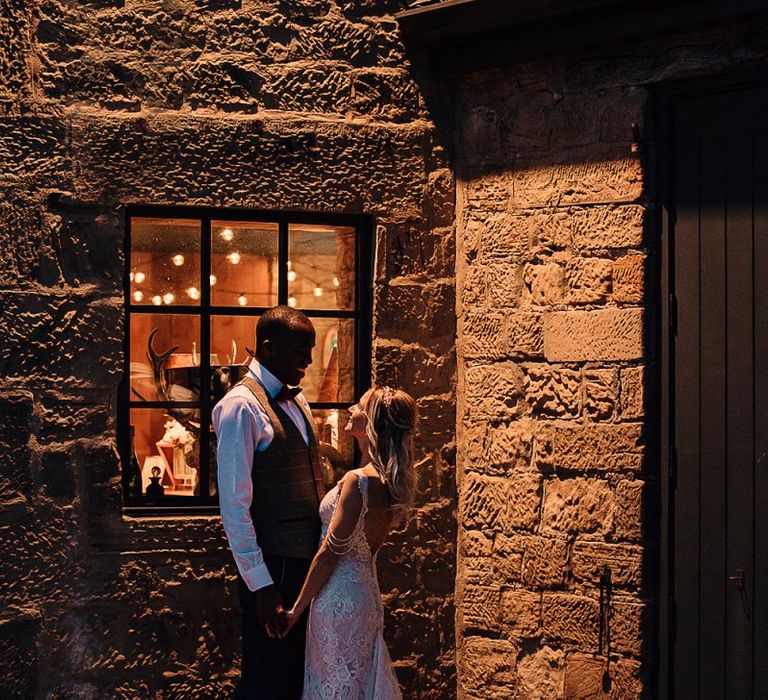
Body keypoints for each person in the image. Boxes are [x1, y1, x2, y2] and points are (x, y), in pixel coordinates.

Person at [213, 306, 324, 699]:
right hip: (274, 566)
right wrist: (261, 585)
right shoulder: (239, 407)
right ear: (269, 347)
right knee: (266, 681)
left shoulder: (298, 400)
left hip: (306, 563)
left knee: (295, 678)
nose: (308, 362)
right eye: (300, 351)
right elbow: (234, 506)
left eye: (310, 350)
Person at [280, 385, 418, 699]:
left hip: (339, 601)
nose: (350, 408)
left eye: (358, 405)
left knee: (336, 686)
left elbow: (330, 551)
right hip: (365, 593)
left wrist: (295, 611)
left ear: (370, 422)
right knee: (356, 684)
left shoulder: (360, 481)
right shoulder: (386, 481)